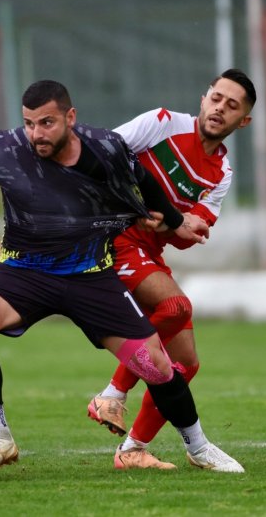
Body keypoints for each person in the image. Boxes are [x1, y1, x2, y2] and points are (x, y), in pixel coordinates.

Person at [0, 80, 246, 474]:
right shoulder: (5, 149)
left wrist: (174, 222)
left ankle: (199, 446)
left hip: (90, 273)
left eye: (47, 122)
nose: (36, 133)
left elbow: (144, 182)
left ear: (70, 117)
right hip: (23, 270)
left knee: (156, 364)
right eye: (29, 122)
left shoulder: (106, 147)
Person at [87, 69, 256, 470]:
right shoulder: (161, 123)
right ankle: (112, 393)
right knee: (177, 307)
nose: (220, 109)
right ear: (203, 98)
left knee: (186, 362)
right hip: (114, 238)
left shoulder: (222, 174)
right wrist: (146, 210)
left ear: (243, 121)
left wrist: (168, 223)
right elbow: (100, 157)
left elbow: (186, 235)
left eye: (232, 106)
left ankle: (131, 450)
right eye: (216, 98)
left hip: (149, 250)